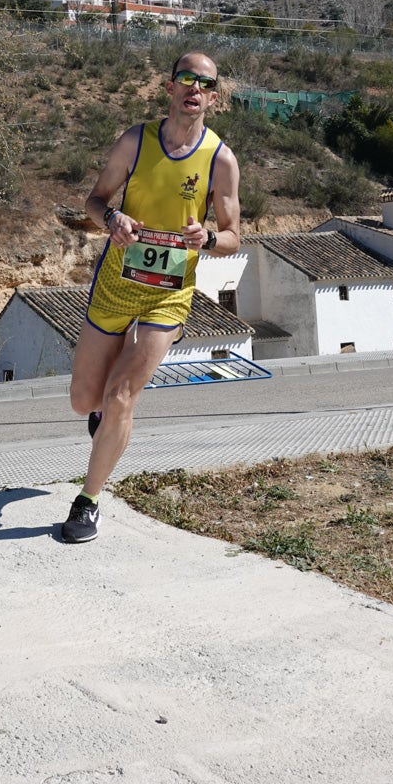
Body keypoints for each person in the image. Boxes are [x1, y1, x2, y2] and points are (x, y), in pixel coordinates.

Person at [63, 52, 240, 542]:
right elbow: (94, 202)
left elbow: (233, 237)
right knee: (85, 401)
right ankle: (100, 416)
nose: (195, 89)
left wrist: (205, 238)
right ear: (169, 86)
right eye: (187, 79)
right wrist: (112, 219)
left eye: (205, 83)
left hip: (169, 294)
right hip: (117, 282)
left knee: (123, 396)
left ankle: (88, 500)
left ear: (213, 97)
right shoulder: (135, 141)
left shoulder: (220, 159)